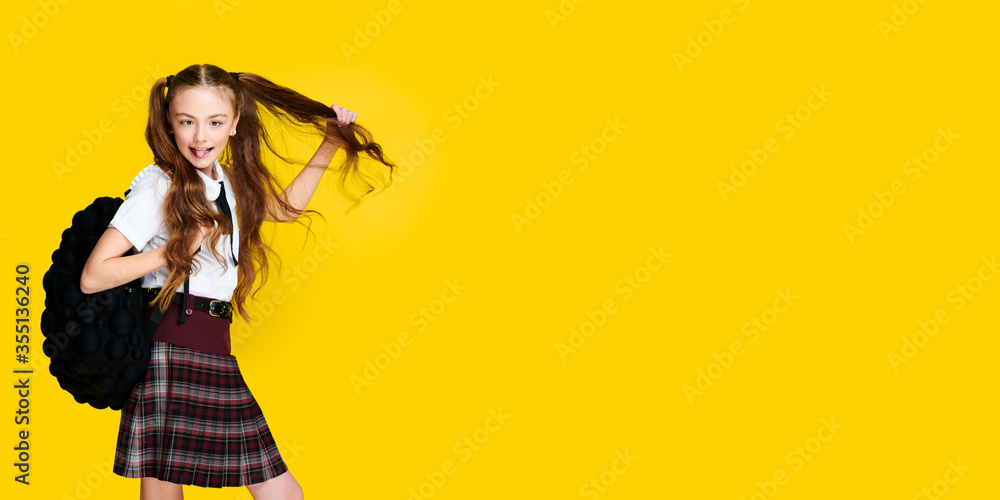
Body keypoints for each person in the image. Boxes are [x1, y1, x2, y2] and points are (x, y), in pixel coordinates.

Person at [79, 63, 394, 499]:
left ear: (235, 123)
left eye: (214, 122)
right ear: (169, 125)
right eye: (186, 122)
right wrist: (175, 251)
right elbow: (94, 276)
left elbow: (282, 209)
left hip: (211, 347)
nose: (200, 136)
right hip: (169, 350)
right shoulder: (159, 185)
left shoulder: (224, 182)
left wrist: (329, 145)